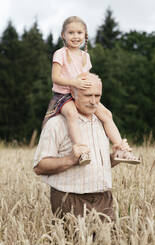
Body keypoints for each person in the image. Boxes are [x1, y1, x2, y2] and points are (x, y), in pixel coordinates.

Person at [34, 73, 137, 220]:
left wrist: (114, 158)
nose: (94, 101)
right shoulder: (56, 124)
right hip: (69, 199)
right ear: (73, 94)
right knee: (75, 243)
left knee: (109, 242)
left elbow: (98, 163)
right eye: (88, 95)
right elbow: (39, 167)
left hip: (104, 199)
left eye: (97, 96)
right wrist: (71, 159)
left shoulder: (101, 122)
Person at [43, 16, 140, 166]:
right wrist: (74, 82)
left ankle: (120, 148)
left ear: (85, 35)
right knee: (72, 114)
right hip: (64, 95)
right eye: (71, 33)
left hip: (81, 94)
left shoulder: (85, 56)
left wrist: (92, 89)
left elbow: (87, 77)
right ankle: (81, 150)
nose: (75, 36)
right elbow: (55, 78)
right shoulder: (60, 53)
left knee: (106, 114)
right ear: (63, 35)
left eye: (79, 33)